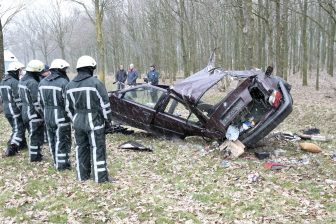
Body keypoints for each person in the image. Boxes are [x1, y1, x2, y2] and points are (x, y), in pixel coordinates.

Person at [65, 55, 112, 183]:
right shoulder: (96, 83)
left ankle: (82, 176)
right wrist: (108, 122)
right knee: (98, 149)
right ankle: (100, 178)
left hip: (78, 122)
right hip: (94, 122)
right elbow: (105, 105)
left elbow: (68, 108)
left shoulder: (69, 86)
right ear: (90, 68)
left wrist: (74, 120)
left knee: (80, 149)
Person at [38, 59, 71, 170]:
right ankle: (62, 165)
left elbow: (39, 102)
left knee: (52, 139)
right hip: (61, 115)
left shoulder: (42, 82)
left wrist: (45, 113)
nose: (65, 71)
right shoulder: (63, 82)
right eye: (64, 69)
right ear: (59, 69)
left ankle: (56, 162)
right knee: (62, 140)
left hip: (47, 115)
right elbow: (68, 102)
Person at [18, 60, 45, 162]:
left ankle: (36, 154)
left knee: (32, 133)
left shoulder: (22, 80)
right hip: (33, 113)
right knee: (34, 135)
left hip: (25, 111)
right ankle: (34, 157)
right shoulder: (32, 83)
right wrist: (42, 114)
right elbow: (36, 101)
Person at [0, 61, 27, 156]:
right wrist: (22, 110)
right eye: (19, 70)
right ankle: (12, 147)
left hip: (6, 109)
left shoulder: (3, 81)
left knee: (16, 127)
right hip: (14, 109)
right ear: (15, 70)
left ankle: (22, 145)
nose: (20, 72)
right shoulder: (15, 82)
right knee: (19, 128)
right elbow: (18, 98)